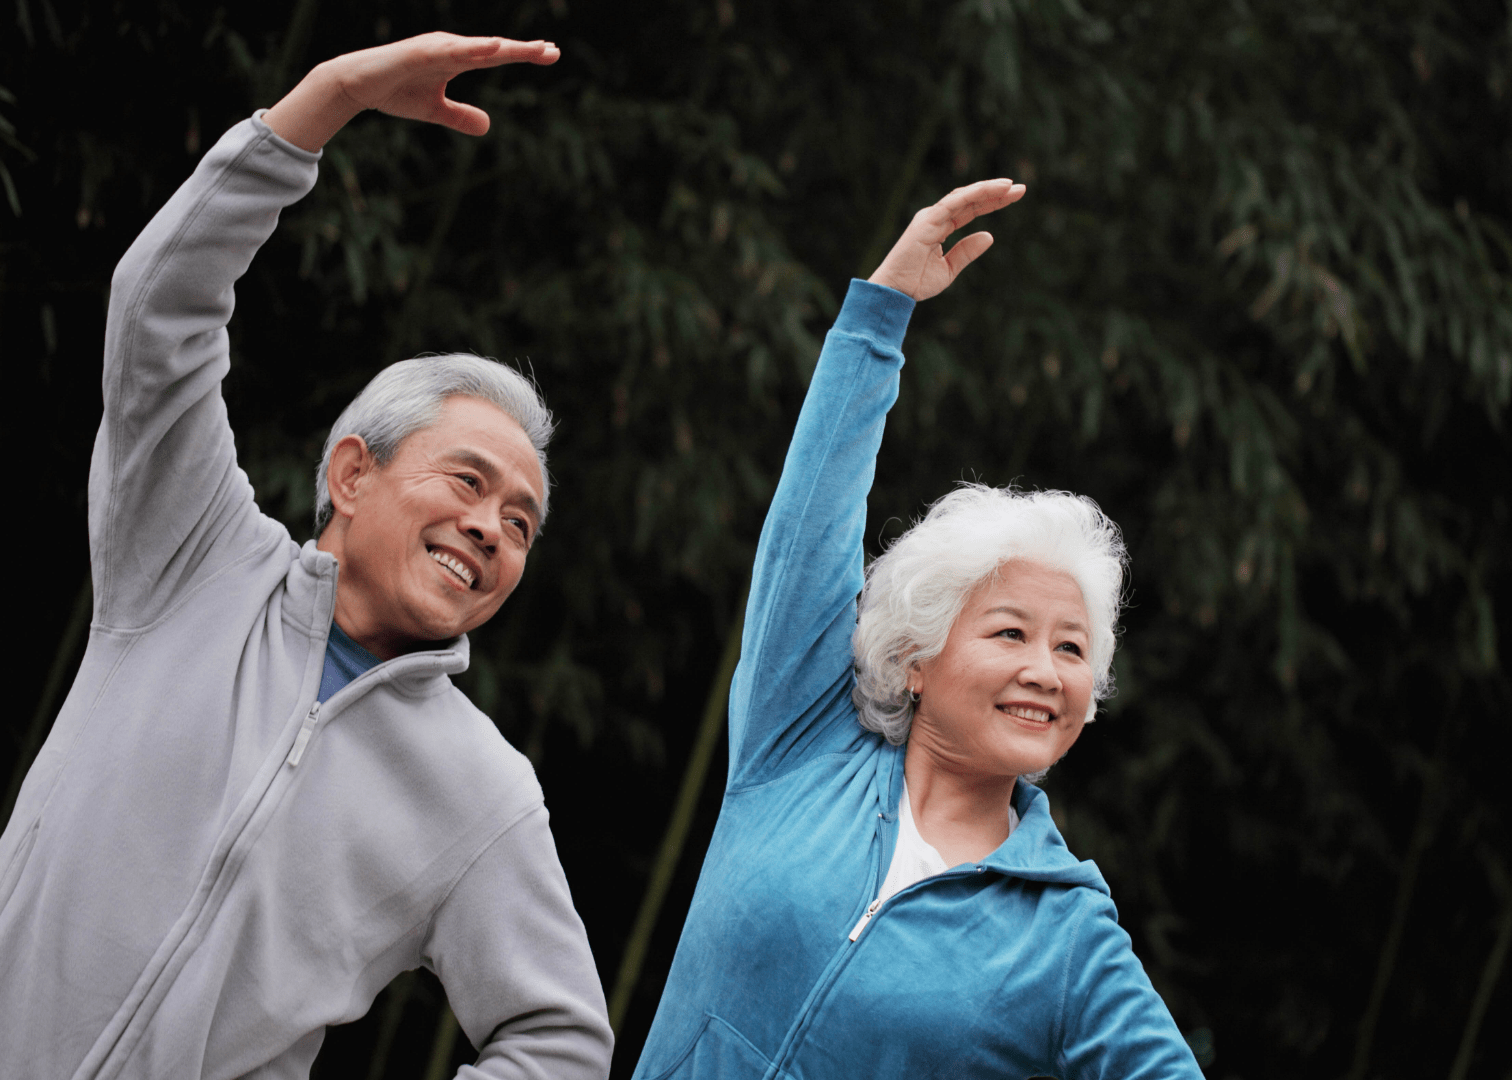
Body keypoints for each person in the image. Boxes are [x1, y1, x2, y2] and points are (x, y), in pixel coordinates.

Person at [0, 34, 613, 1079]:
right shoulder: (192, 557)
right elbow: (161, 317)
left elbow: (558, 1042)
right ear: (351, 474)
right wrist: (325, 102)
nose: (491, 529)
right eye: (467, 482)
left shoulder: (481, 788)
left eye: (520, 523)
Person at [631, 184, 1205, 1078]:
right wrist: (877, 319)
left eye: (1071, 648)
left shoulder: (1068, 938)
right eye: (1011, 633)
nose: (1047, 671)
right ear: (916, 659)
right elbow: (809, 525)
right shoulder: (799, 743)